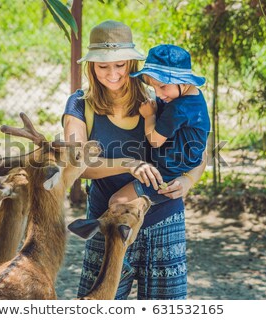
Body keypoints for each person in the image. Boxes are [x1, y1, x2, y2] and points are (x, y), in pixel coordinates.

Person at [63, 20, 206, 300]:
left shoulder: (158, 98)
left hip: (163, 217)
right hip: (108, 222)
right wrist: (130, 163)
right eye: (103, 66)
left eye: (120, 64)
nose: (113, 74)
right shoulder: (79, 104)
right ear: (91, 67)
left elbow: (197, 150)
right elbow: (75, 165)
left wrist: (188, 180)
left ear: (132, 63)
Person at [108, 44, 210, 207]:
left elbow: (155, 140)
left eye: (162, 86)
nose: (158, 94)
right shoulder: (194, 96)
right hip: (179, 165)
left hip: (165, 174)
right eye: (153, 87)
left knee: (116, 202)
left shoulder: (178, 109)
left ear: (183, 82)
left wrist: (150, 116)